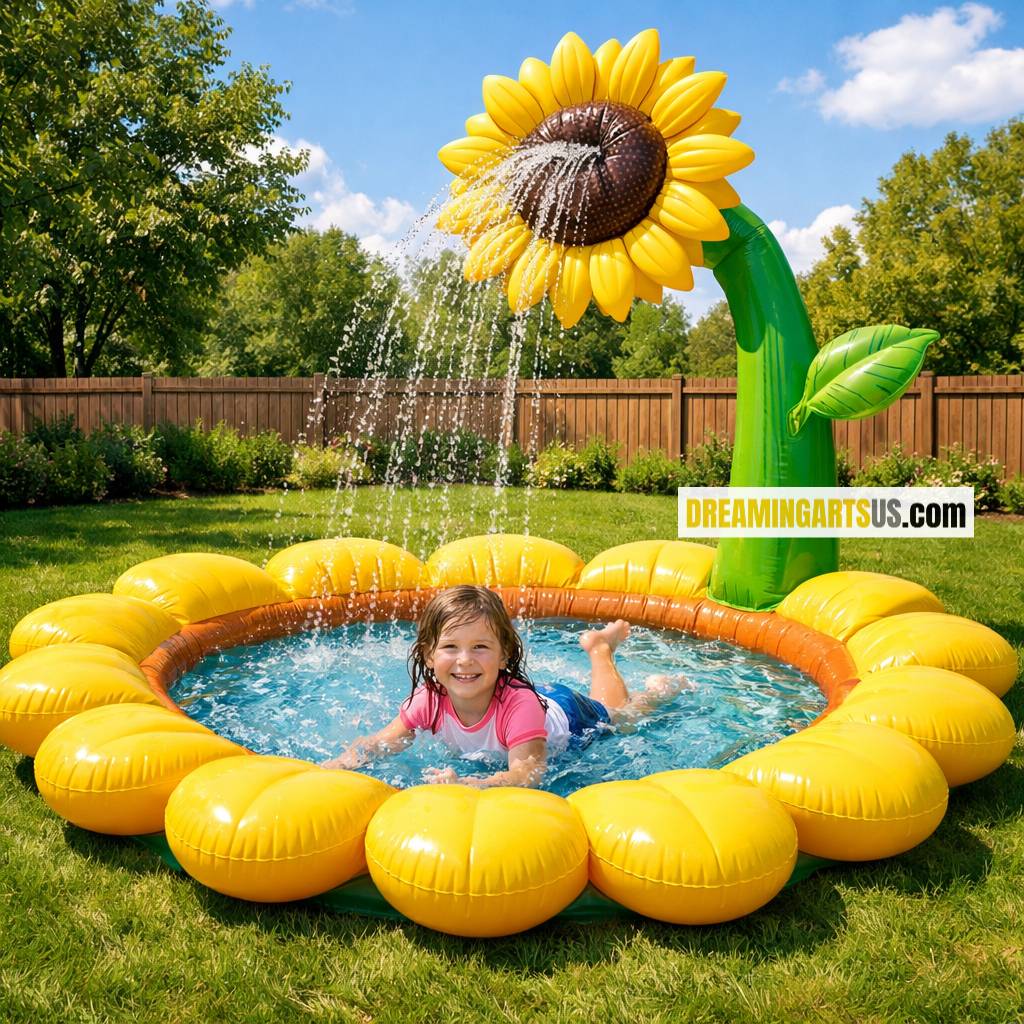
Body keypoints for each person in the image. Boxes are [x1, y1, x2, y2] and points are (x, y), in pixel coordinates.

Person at [322, 585, 692, 788]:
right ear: (429, 656)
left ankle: (604, 653)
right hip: (531, 699)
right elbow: (383, 741)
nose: (465, 660)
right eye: (450, 647)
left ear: (504, 655)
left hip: (566, 714)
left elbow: (528, 773)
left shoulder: (519, 708)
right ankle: (598, 648)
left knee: (622, 716)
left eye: (480, 647)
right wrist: (344, 761)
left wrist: (473, 784)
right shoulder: (428, 699)